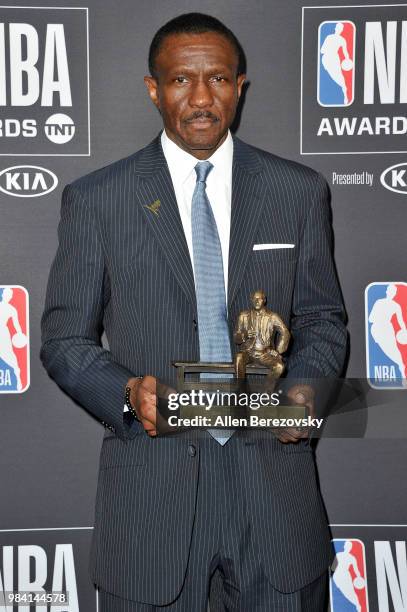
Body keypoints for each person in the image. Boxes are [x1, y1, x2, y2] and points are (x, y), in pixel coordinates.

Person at [40, 12, 347, 611]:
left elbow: (321, 320)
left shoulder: (297, 192)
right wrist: (128, 393)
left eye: (219, 79)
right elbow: (63, 337)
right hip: (151, 502)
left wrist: (306, 392)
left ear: (240, 86)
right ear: (154, 89)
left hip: (275, 495)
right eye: (182, 80)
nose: (202, 98)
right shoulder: (99, 200)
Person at [234, 289, 290, 380]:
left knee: (279, 367)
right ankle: (241, 391)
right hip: (248, 352)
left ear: (264, 300)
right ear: (251, 300)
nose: (257, 301)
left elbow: (285, 332)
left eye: (259, 299)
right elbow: (236, 337)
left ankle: (266, 393)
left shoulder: (272, 316)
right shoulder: (243, 316)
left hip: (265, 354)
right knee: (238, 357)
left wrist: (278, 351)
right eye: (254, 299)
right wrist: (245, 335)